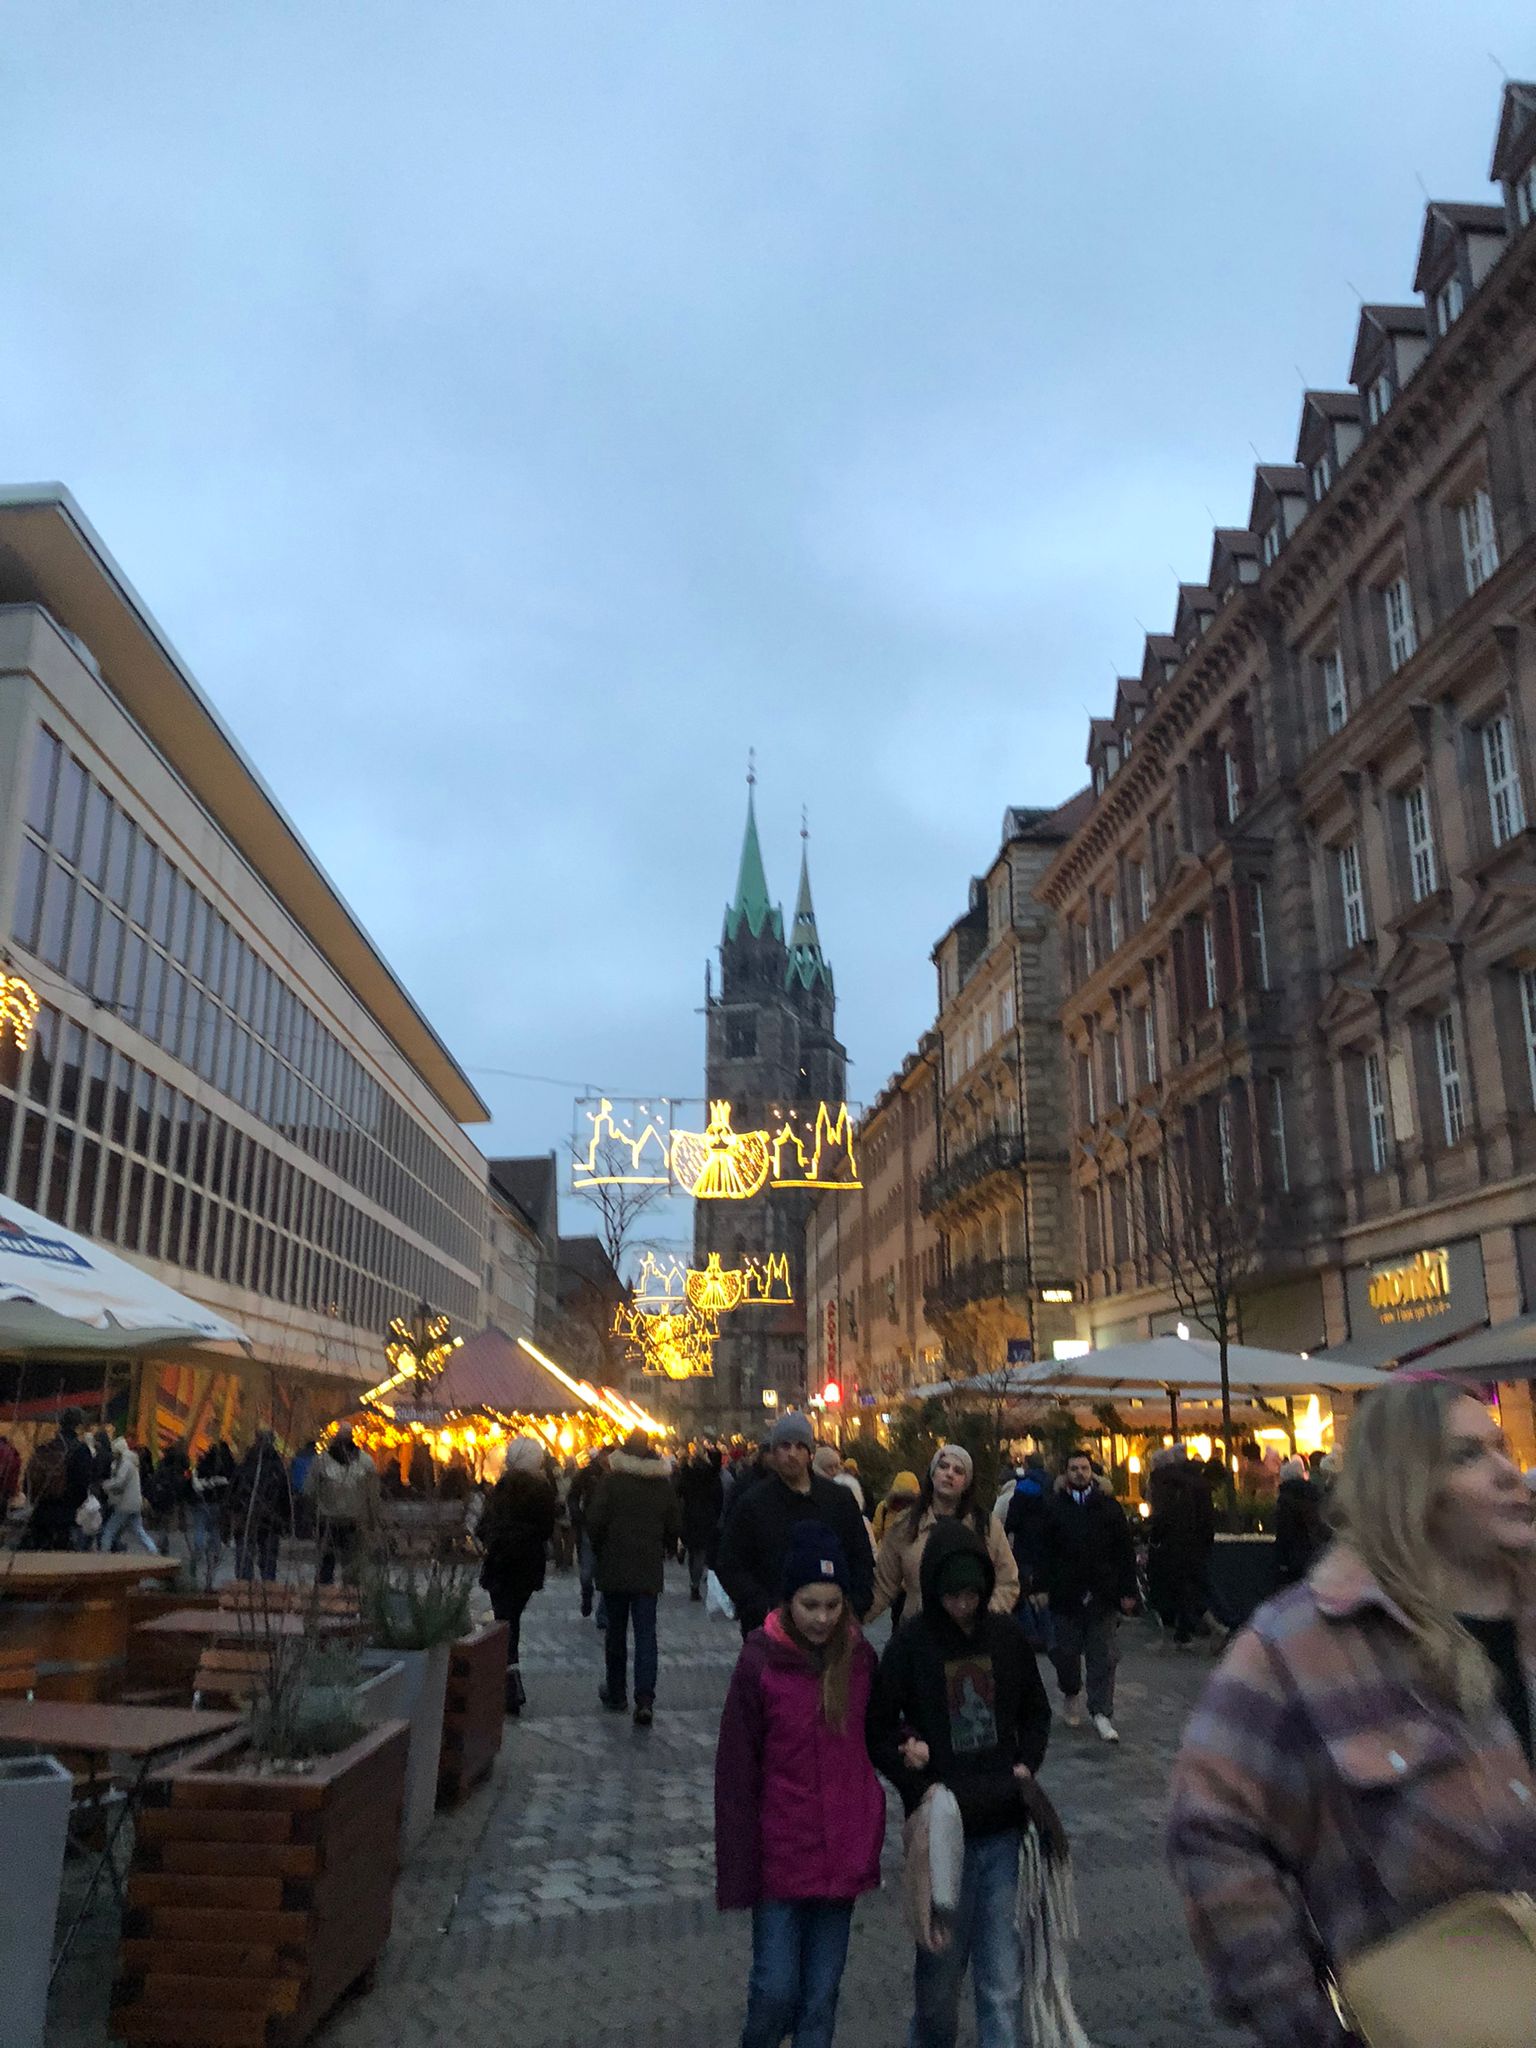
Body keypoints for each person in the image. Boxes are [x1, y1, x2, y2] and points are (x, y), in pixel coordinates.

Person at [1169, 1378, 1536, 2048]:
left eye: (1502, 1447)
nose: (1509, 1473)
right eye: (1468, 1456)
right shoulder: (1298, 1642)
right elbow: (1211, 1830)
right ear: (1404, 1485)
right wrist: (1308, 2022)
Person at [868, 1519, 1053, 2048]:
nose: (963, 1606)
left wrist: (1027, 1764)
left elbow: (1035, 1711)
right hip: (942, 1833)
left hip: (1003, 1830)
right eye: (953, 1596)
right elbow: (877, 1728)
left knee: (1001, 1980)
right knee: (939, 1980)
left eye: (972, 1595)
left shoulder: (1006, 1637)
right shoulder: (911, 1644)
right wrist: (914, 1779)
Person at [714, 1522, 885, 2048]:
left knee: (819, 1999)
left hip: (842, 1855)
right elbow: (736, 1772)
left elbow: (882, 1732)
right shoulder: (760, 1662)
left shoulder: (859, 1661)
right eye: (811, 1605)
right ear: (789, 1600)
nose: (823, 1618)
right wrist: (738, 1866)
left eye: (833, 1605)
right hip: (781, 1858)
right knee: (774, 1990)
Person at [716, 1414, 874, 1637]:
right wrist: (759, 1606)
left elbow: (860, 1556)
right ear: (774, 1451)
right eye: (785, 1446)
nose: (792, 1454)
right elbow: (729, 1562)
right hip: (771, 1629)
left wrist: (854, 1606)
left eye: (800, 1446)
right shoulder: (753, 1503)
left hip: (831, 1627)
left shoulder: (838, 1500)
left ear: (810, 1453)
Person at [1035, 1448, 1138, 1742]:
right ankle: (1070, 1691)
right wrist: (1040, 1586)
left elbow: (1124, 1551)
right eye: (1074, 1468)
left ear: (1092, 1471)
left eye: (1084, 1468)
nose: (1080, 1473)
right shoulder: (1054, 1506)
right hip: (1065, 1593)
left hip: (1102, 1592)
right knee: (1065, 1652)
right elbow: (1043, 1550)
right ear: (1065, 1473)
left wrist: (1127, 1590)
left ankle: (1101, 1711)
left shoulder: (1108, 1507)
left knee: (1102, 1654)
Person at [588, 1428, 682, 1726]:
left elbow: (595, 1520)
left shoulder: (611, 1481)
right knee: (645, 1635)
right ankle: (644, 1699)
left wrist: (601, 1549)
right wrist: (665, 1545)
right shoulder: (661, 1483)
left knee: (615, 1633)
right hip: (647, 1569)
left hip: (615, 1566)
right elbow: (674, 1523)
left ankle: (616, 1692)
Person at [868, 1445, 1020, 1624]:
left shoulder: (987, 1526)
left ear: (967, 1483)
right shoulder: (906, 1524)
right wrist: (851, 1620)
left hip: (971, 1633)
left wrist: (982, 1616)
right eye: (943, 1466)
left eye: (958, 1471)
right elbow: (883, 1587)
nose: (949, 1474)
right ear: (932, 1474)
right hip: (919, 1631)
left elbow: (1008, 1582)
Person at [478, 1436, 558, 1715]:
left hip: (501, 1564)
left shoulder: (501, 1489)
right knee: (512, 1622)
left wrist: (495, 1539)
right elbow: (547, 1528)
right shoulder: (542, 1491)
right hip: (527, 1566)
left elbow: (483, 1526)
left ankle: (510, 1685)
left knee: (505, 1622)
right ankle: (511, 1684)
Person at [1145, 1444, 1216, 1646]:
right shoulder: (1187, 1481)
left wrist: (1153, 1533)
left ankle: (1201, 1627)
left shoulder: (1162, 1482)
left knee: (1176, 1588)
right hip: (1191, 1541)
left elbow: (1163, 1514)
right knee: (1190, 1587)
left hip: (1171, 1544)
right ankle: (1188, 1630)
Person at [304, 1426, 379, 1585]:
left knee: (335, 1565)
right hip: (340, 1521)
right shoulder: (365, 1462)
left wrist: (311, 1516)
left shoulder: (322, 1461)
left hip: (339, 1521)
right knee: (343, 1566)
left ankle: (333, 1593)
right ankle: (344, 1595)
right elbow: (373, 1496)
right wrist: (373, 1521)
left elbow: (309, 1491)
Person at [22, 1407, 96, 1550]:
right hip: (65, 1515)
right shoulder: (80, 1450)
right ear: (78, 1425)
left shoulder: (45, 1448)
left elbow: (29, 1480)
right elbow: (82, 1484)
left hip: (40, 1512)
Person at [229, 1430, 291, 1582]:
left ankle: (244, 1589)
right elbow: (285, 1495)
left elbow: (234, 1491)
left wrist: (233, 1513)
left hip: (247, 1516)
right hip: (271, 1519)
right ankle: (267, 1590)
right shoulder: (277, 1467)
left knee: (245, 1556)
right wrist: (286, 1519)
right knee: (268, 1559)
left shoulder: (246, 1464)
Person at [677, 1445, 725, 1601]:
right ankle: (695, 1584)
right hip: (706, 1517)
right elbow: (719, 1497)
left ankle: (693, 1580)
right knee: (701, 1552)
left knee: (693, 1552)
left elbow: (678, 1492)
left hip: (689, 1516)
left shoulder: (687, 1474)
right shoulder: (711, 1475)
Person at [568, 1445, 611, 1619]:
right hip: (588, 1527)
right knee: (586, 1572)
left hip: (610, 1530)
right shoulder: (586, 1474)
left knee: (607, 1573)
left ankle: (603, 1613)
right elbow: (573, 1496)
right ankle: (587, 1593)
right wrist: (577, 1515)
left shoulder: (618, 1475)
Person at [1273, 1451, 1325, 1587]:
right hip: (1314, 1551)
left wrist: (1282, 1559)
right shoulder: (1314, 1494)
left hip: (1294, 1554)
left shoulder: (1285, 1499)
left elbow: (1284, 1529)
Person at [1002, 1453, 1051, 1597]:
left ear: (1027, 1465)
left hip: (1025, 1545)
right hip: (1047, 1545)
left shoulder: (1024, 1487)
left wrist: (1005, 1533)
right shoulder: (1052, 1483)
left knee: (1026, 1587)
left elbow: (1013, 1519)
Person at [100, 1434, 158, 1554]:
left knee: (109, 1530)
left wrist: (105, 1485)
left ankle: (104, 1554)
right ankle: (153, 1550)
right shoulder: (133, 1461)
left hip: (125, 1503)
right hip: (135, 1502)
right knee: (139, 1530)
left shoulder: (125, 1463)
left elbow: (119, 1481)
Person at [872, 1469, 920, 1546]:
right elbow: (874, 1535)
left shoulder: (919, 1514)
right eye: (899, 1499)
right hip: (885, 1551)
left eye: (907, 1500)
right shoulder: (884, 1509)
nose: (902, 1504)